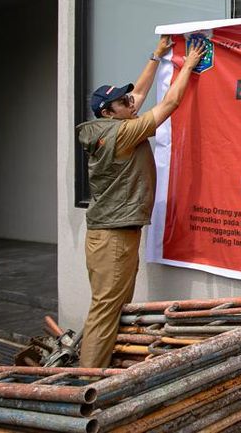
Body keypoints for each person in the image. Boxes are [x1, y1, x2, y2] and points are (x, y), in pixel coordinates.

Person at [75, 35, 205, 368]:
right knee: (106, 310)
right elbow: (169, 104)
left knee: (113, 306)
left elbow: (141, 94)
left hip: (114, 233)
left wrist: (156, 56)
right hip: (113, 238)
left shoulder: (110, 125)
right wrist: (188, 66)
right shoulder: (121, 134)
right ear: (109, 112)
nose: (130, 102)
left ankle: (100, 370)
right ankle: (86, 381)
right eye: (122, 101)